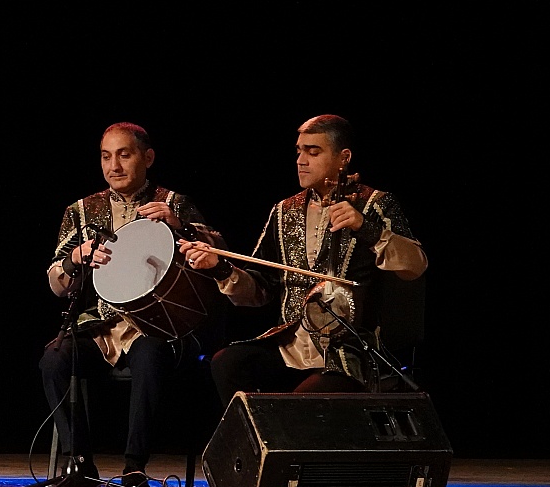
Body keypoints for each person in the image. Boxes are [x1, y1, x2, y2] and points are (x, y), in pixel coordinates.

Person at [181, 114, 428, 405]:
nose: (301, 160)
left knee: (299, 404)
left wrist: (367, 228)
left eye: (313, 152)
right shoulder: (284, 211)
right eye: (299, 151)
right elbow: (261, 289)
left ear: (343, 158)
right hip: (291, 345)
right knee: (227, 362)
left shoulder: (375, 202)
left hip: (349, 351)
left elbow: (416, 265)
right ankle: (255, 447)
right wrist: (221, 269)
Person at [40, 121, 227, 487]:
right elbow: (57, 283)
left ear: (148, 157)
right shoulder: (80, 211)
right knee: (55, 359)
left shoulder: (174, 203)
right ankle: (80, 465)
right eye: (106, 157)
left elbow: (215, 254)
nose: (115, 166)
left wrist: (181, 228)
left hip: (157, 326)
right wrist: (75, 259)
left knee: (149, 355)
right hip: (100, 326)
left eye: (124, 155)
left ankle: (134, 468)